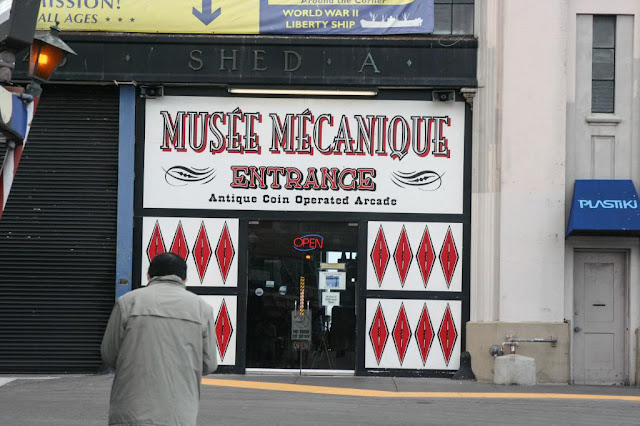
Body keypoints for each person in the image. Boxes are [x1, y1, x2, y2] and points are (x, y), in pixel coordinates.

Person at [101, 252, 217, 426]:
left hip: (130, 411)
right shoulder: (202, 309)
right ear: (184, 279)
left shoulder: (127, 302)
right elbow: (209, 364)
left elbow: (109, 354)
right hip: (179, 414)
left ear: (149, 276)